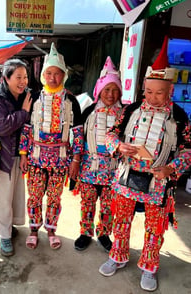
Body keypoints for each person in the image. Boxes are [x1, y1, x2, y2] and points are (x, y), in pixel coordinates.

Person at [98, 40, 191, 292]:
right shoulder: (130, 110)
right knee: (122, 220)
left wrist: (171, 168)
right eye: (148, 91)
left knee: (154, 226)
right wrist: (118, 145)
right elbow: (110, 134)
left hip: (158, 181)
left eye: (159, 92)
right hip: (127, 175)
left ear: (170, 91)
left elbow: (188, 149)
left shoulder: (180, 117)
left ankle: (149, 266)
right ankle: (117, 255)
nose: (152, 97)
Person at [19, 43, 83, 250]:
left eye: (57, 74)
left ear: (64, 76)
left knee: (55, 196)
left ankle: (52, 229)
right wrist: (23, 155)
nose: (53, 78)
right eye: (49, 73)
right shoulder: (34, 98)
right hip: (36, 157)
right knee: (35, 195)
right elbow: (26, 128)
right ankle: (34, 229)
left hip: (61, 158)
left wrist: (75, 160)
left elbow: (78, 133)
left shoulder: (71, 101)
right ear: (43, 75)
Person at [74, 56, 123, 252]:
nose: (111, 94)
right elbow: (78, 138)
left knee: (108, 204)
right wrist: (75, 161)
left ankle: (104, 233)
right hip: (89, 168)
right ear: (99, 89)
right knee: (87, 202)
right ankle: (85, 232)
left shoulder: (125, 114)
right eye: (107, 89)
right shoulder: (88, 112)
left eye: (115, 90)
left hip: (113, 170)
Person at [0, 59, 32, 256]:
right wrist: (23, 112)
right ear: (6, 78)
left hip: (17, 154)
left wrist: (24, 153)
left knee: (14, 195)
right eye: (18, 77)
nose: (23, 81)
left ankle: (8, 227)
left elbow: (27, 129)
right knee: (1, 199)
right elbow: (3, 127)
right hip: (1, 157)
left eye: (25, 77)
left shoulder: (24, 97)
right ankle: (3, 235)